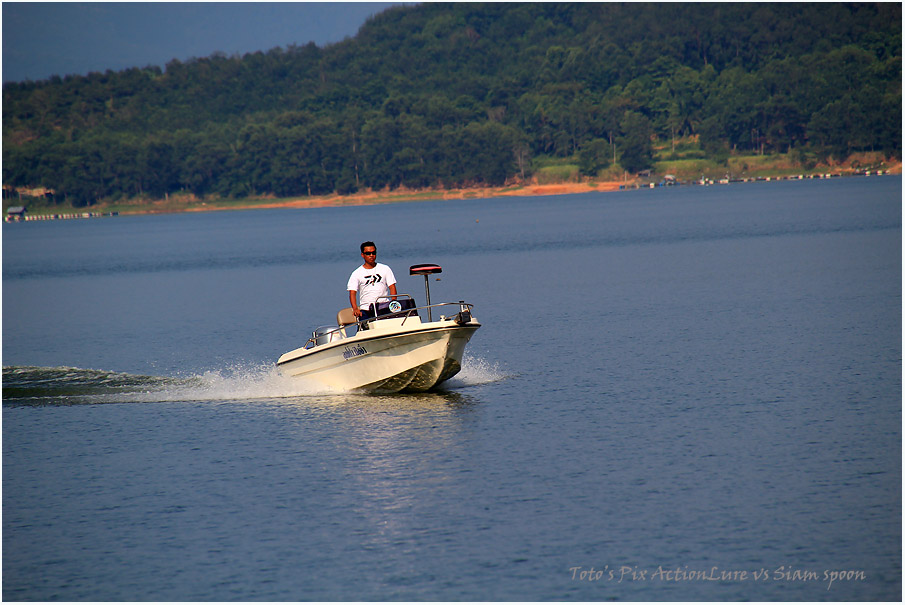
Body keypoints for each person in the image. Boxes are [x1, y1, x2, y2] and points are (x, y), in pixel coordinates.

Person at [347, 241, 397, 319]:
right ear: (362, 255)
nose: (371, 255)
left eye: (373, 253)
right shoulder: (356, 273)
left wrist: (393, 302)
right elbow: (352, 293)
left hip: (383, 307)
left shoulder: (385, 269)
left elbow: (392, 287)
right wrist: (355, 308)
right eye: (368, 253)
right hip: (366, 309)